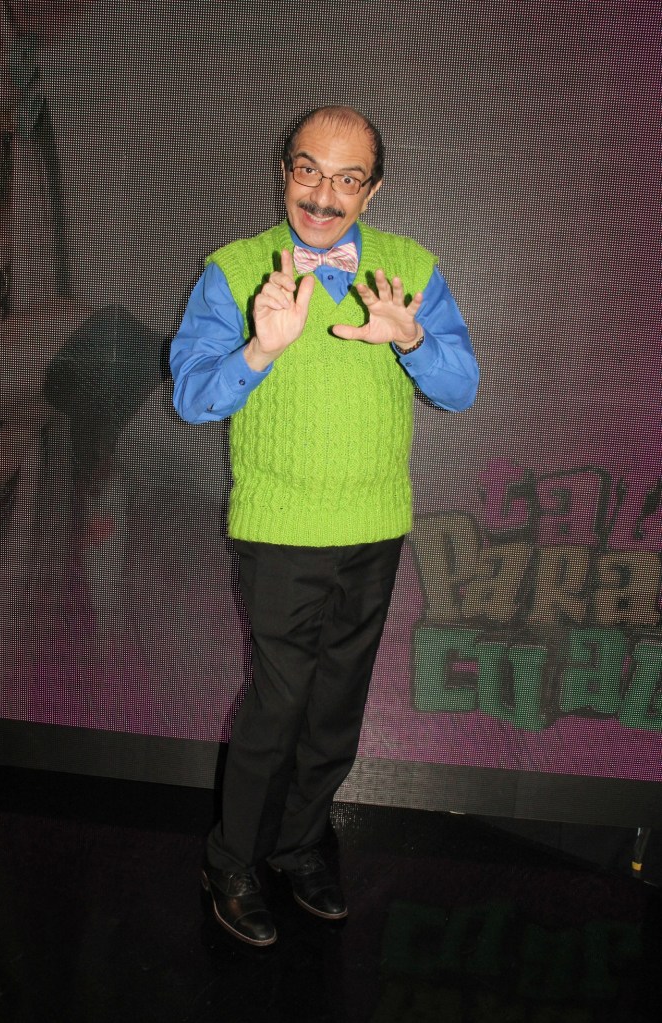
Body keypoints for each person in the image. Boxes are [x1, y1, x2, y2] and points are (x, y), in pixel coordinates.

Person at [171, 105, 479, 947]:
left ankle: (300, 843)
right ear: (285, 171)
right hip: (279, 527)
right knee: (278, 706)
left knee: (337, 705)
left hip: (375, 526)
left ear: (372, 190)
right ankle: (232, 859)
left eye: (347, 179)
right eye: (308, 170)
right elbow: (191, 395)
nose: (323, 195)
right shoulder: (236, 269)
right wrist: (261, 349)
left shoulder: (413, 268)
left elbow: (460, 387)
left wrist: (413, 339)